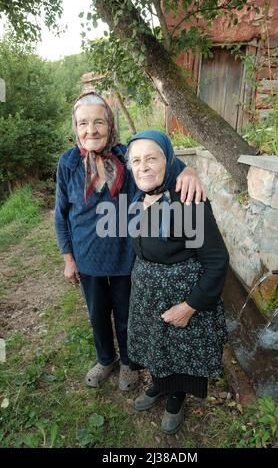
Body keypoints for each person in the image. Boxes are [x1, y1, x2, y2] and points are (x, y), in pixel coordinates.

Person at [54, 92, 205, 392]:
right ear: (75, 126)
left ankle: (129, 362)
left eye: (99, 121)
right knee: (97, 314)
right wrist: (68, 258)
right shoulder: (68, 162)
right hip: (88, 258)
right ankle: (105, 358)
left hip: (126, 256)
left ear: (110, 125)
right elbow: (61, 214)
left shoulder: (127, 155)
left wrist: (188, 170)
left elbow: (159, 164)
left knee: (126, 314)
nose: (91, 130)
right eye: (83, 123)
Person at [126, 130, 229, 434]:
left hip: (181, 298)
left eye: (151, 158)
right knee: (157, 347)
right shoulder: (136, 199)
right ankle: (159, 386)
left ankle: (176, 398)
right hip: (147, 296)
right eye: (136, 161)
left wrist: (189, 307)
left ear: (169, 160)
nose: (143, 166)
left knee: (179, 352)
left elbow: (217, 261)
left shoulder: (188, 201)